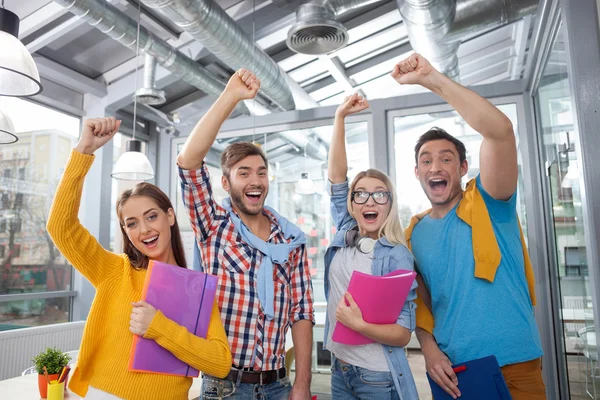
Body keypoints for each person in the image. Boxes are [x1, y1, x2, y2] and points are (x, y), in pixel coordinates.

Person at [392, 54, 545, 399]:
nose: (436, 167)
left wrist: (432, 79)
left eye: (446, 159)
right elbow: (421, 305)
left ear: (462, 168)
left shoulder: (490, 201)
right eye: (426, 160)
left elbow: (500, 131)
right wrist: (429, 351)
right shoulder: (413, 234)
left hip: (516, 363)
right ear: (417, 173)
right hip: (455, 373)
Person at [47, 117, 231, 400]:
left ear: (170, 216)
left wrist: (159, 328)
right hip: (100, 394)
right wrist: (84, 150)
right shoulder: (114, 271)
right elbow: (60, 227)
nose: (144, 230)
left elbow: (220, 362)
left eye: (151, 216)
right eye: (131, 223)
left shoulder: (197, 289)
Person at [176, 69, 315, 400]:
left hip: (279, 385)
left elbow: (302, 311)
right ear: (226, 183)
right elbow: (188, 164)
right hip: (224, 386)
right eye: (244, 173)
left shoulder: (289, 240)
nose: (255, 180)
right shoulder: (213, 226)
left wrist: (303, 382)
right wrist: (230, 96)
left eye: (262, 173)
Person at [323, 93, 419, 400]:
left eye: (380, 194)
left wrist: (358, 324)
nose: (370, 201)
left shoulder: (397, 256)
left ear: (390, 204)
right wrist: (340, 118)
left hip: (376, 377)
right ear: (351, 205)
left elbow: (403, 334)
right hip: (340, 368)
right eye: (360, 194)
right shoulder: (346, 231)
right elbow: (337, 179)